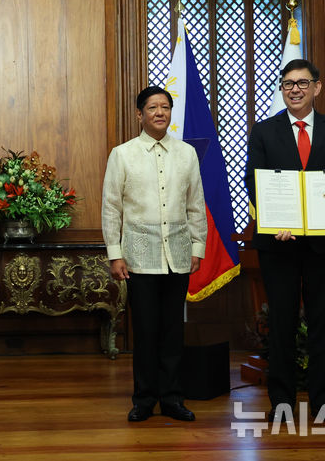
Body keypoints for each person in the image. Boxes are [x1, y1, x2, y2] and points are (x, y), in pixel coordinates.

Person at [244, 59, 325, 423]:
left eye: (302, 83)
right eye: (287, 83)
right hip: (278, 242)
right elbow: (254, 182)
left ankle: (324, 400)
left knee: (322, 321)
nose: (294, 89)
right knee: (280, 322)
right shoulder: (263, 131)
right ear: (282, 89)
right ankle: (281, 400)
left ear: (317, 87)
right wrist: (273, 220)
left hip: (324, 243)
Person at [102, 86, 207, 423]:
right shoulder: (123, 154)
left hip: (178, 254)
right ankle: (144, 399)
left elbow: (195, 205)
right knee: (145, 332)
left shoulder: (187, 153)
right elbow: (111, 209)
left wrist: (198, 246)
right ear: (139, 114)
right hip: (138, 256)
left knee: (173, 331)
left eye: (165, 107)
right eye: (152, 108)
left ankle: (173, 398)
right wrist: (115, 254)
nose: (160, 112)